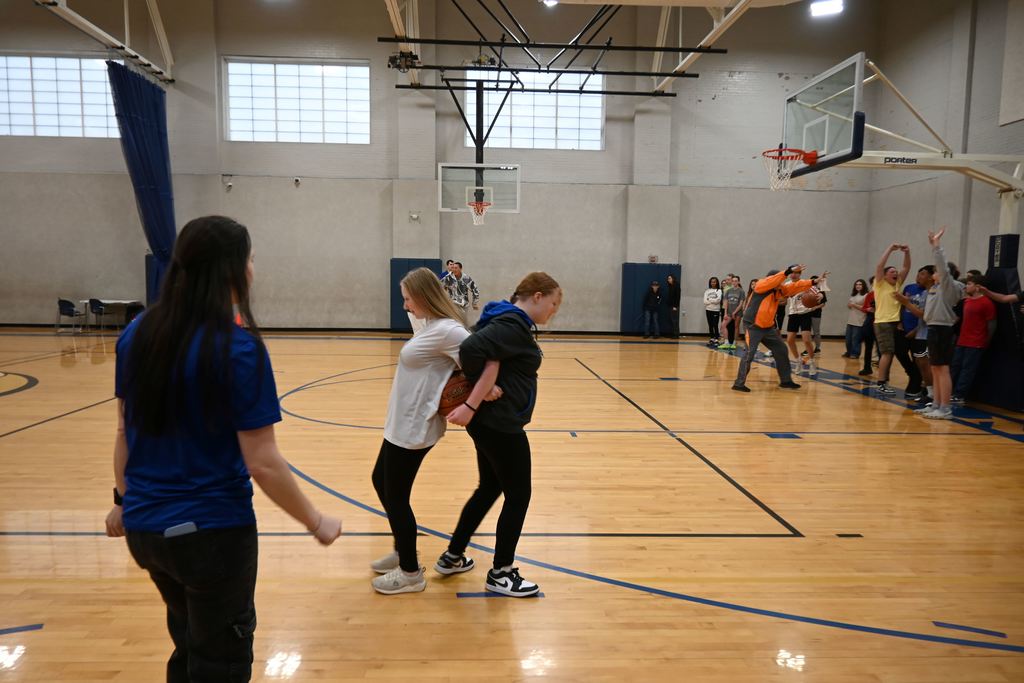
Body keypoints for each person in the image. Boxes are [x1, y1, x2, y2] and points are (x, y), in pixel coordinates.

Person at [104, 216, 342, 682]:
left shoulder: (138, 333)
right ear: (231, 270)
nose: (254, 268)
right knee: (221, 662)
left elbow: (123, 432)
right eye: (250, 258)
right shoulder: (238, 349)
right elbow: (264, 463)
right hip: (211, 535)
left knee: (190, 642)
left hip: (146, 531)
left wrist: (121, 501)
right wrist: (316, 521)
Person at [369, 268, 503, 595]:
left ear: (423, 296)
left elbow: (485, 357)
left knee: (397, 496)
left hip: (416, 423)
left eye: (407, 299)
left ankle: (410, 573)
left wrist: (483, 393)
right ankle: (404, 550)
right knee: (380, 481)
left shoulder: (449, 331)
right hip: (400, 420)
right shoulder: (428, 324)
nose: (404, 306)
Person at [440, 272, 562, 597]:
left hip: (491, 422)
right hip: (501, 424)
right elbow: (471, 349)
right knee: (519, 495)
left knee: (490, 486)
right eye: (553, 304)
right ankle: (502, 572)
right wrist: (482, 387)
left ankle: (453, 555)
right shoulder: (511, 324)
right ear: (537, 296)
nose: (553, 312)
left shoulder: (504, 318)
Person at [732, 265, 816, 393]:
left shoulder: (779, 289)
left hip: (767, 327)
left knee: (781, 349)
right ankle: (739, 384)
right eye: (778, 280)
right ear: (772, 279)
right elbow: (773, 280)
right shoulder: (760, 285)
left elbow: (794, 286)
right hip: (753, 326)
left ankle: (786, 381)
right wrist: (787, 272)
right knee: (749, 353)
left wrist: (813, 282)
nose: (780, 283)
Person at [918, 227, 965, 419]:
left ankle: (945, 408)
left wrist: (936, 246)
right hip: (933, 329)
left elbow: (943, 268)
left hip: (943, 330)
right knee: (935, 368)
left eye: (936, 271)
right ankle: (936, 404)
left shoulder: (949, 287)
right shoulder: (935, 288)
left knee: (943, 368)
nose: (934, 273)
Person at [950, 272, 997, 404]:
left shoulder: (986, 303)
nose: (966, 287)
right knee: (955, 366)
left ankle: (959, 395)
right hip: (962, 340)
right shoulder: (967, 301)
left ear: (977, 287)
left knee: (967, 369)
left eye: (969, 284)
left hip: (976, 342)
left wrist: (986, 340)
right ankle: (949, 392)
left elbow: (992, 324)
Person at [872, 243, 912, 394]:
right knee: (887, 353)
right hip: (883, 322)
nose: (895, 273)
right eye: (892, 272)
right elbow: (879, 265)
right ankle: (881, 383)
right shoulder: (880, 284)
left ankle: (886, 381)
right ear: (885, 275)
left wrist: (907, 253)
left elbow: (906, 267)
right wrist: (890, 248)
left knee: (894, 352)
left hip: (896, 323)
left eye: (896, 272)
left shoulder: (897, 284)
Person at [893, 265, 935, 405]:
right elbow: (902, 307)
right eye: (918, 273)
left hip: (920, 332)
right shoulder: (911, 288)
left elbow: (925, 316)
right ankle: (916, 379)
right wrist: (900, 321)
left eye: (922, 274)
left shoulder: (931, 293)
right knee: (901, 352)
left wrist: (915, 330)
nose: (918, 276)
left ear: (931, 276)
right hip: (905, 328)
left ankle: (926, 391)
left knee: (923, 362)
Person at [784, 267, 827, 378]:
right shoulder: (787, 285)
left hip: (805, 314)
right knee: (789, 340)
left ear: (799, 274)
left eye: (796, 273)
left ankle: (812, 362)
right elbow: (782, 296)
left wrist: (821, 295)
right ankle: (798, 361)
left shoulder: (805, 284)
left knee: (807, 340)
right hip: (793, 314)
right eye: (792, 273)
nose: (793, 275)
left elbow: (820, 293)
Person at [857, 277, 877, 377]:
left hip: (880, 322)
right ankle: (867, 367)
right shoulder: (870, 295)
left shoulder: (884, 294)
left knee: (881, 349)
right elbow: (864, 308)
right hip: (870, 321)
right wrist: (868, 309)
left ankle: (883, 371)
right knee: (868, 347)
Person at [844, 279, 868, 359]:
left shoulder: (866, 295)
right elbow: (850, 305)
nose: (858, 286)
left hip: (859, 321)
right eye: (856, 284)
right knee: (848, 339)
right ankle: (849, 352)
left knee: (856, 339)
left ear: (863, 286)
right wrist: (849, 305)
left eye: (860, 284)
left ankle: (855, 353)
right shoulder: (854, 295)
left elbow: (865, 308)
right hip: (851, 320)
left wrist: (854, 305)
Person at [718, 275, 744, 350]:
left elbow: (741, 304)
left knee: (736, 327)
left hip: (738, 312)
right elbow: (726, 302)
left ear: (738, 282)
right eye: (733, 281)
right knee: (723, 325)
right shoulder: (729, 291)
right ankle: (726, 342)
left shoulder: (741, 291)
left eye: (736, 281)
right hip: (729, 312)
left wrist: (734, 312)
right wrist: (725, 313)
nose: (734, 282)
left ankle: (734, 343)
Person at [807, 275, 829, 354]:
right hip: (807, 314)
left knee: (816, 332)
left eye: (815, 280)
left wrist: (815, 307)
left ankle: (817, 347)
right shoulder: (807, 290)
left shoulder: (821, 291)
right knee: (807, 332)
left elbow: (823, 304)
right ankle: (808, 348)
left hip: (816, 314)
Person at [703, 277, 723, 343]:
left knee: (715, 324)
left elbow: (718, 300)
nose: (713, 283)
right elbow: (705, 301)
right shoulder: (707, 291)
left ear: (717, 282)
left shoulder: (719, 291)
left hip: (716, 310)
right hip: (708, 309)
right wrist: (712, 301)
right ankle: (711, 337)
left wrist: (709, 299)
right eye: (712, 282)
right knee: (710, 324)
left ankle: (716, 338)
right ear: (710, 283)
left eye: (714, 282)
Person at [665, 274, 681, 339]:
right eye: (668, 278)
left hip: (674, 306)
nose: (668, 280)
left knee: (675, 320)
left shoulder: (676, 286)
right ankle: (674, 333)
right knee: (672, 320)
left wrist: (675, 306)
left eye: (669, 278)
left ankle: (676, 334)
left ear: (673, 279)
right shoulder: (670, 286)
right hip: (670, 305)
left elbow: (678, 297)